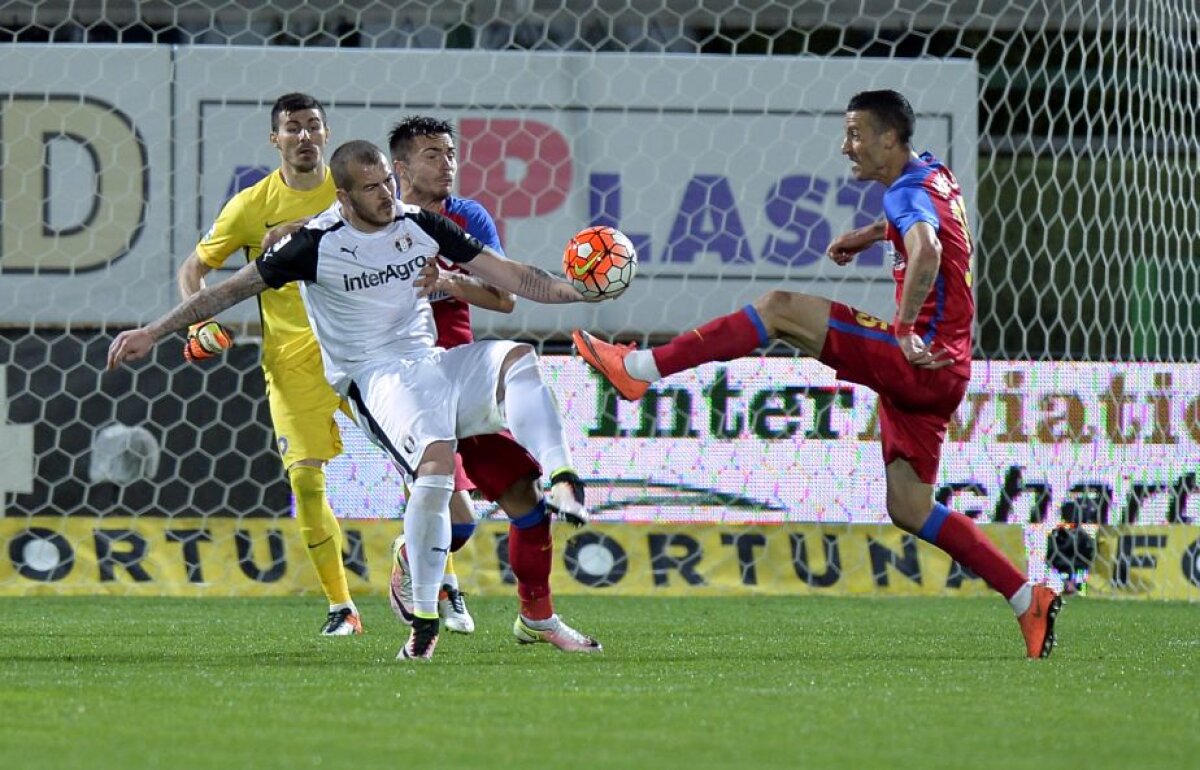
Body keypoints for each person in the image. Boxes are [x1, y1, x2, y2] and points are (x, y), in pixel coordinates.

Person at [573, 89, 1063, 659]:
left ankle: (638, 369)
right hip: (946, 370)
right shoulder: (933, 174)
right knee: (910, 508)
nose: (845, 146)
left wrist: (905, 328)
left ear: (888, 139)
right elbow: (927, 227)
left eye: (856, 134)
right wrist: (871, 235)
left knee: (779, 308)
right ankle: (1027, 598)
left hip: (917, 359)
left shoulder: (905, 191)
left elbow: (927, 249)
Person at [109, 139, 603, 662]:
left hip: (431, 363)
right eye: (372, 188)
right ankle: (423, 624)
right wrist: (153, 332)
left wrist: (581, 292)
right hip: (374, 379)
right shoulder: (312, 244)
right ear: (343, 197)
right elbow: (225, 291)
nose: (387, 194)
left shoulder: (420, 223)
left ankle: (564, 481)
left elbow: (512, 277)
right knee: (436, 468)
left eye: (388, 181)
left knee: (518, 359)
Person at [177, 92, 362, 637]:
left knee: (419, 463)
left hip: (361, 350)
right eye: (292, 127)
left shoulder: (354, 189)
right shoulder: (250, 206)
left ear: (327, 134)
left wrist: (300, 226)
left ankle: (442, 587)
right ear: (274, 139)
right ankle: (342, 607)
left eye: (313, 126)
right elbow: (193, 270)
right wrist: (197, 323)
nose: (304, 136)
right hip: (290, 361)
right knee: (306, 481)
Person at [387, 115, 538, 638]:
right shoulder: (377, 222)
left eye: (450, 153)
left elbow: (505, 298)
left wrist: (448, 280)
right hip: (398, 378)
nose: (447, 164)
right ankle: (437, 589)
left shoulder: (467, 217)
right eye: (432, 155)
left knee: (473, 513)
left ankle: (417, 560)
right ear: (400, 168)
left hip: (459, 375)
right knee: (444, 499)